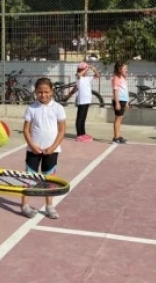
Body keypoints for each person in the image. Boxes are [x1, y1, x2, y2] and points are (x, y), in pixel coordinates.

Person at [21, 78, 65, 220]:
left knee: (49, 179)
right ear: (35, 92)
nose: (43, 95)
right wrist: (33, 146)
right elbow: (26, 130)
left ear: (52, 91)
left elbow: (62, 130)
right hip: (33, 150)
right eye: (40, 92)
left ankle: (49, 205)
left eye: (46, 92)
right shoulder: (31, 108)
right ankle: (25, 205)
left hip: (51, 151)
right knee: (29, 178)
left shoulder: (58, 108)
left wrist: (53, 147)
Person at [66, 62, 100, 141]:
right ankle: (79, 135)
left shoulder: (87, 78)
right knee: (80, 118)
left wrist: (94, 69)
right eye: (85, 69)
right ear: (81, 69)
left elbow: (97, 75)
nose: (87, 71)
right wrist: (86, 68)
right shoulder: (78, 78)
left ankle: (83, 133)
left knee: (83, 118)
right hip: (82, 101)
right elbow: (79, 75)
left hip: (87, 100)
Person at [111, 61, 129, 144]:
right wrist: (117, 102)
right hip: (119, 100)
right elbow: (116, 91)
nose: (126, 70)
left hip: (123, 100)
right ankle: (116, 137)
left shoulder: (123, 78)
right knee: (118, 119)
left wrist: (127, 102)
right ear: (119, 69)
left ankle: (118, 136)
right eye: (125, 68)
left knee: (119, 119)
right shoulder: (116, 78)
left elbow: (125, 90)